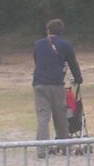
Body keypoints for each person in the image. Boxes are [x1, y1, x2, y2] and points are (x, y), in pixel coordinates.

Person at [32, 18, 83, 155]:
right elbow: (73, 63)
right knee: (60, 116)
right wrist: (78, 79)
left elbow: (37, 61)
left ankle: (41, 148)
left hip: (39, 84)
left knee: (43, 117)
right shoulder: (65, 45)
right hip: (56, 85)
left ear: (48, 31)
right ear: (61, 32)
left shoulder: (38, 44)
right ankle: (65, 146)